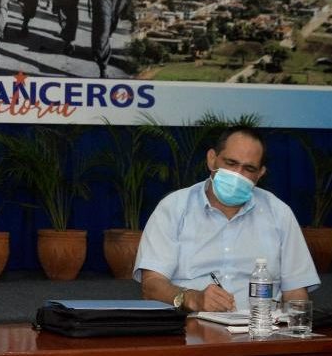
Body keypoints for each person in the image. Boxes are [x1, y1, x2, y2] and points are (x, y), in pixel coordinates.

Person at [133, 126, 320, 313]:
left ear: (260, 174)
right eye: (231, 163)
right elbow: (152, 286)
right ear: (212, 159)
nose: (238, 174)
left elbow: (296, 293)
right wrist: (192, 298)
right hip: (189, 328)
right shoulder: (174, 208)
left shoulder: (279, 213)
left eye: (249, 168)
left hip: (261, 332)